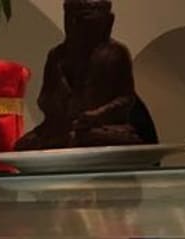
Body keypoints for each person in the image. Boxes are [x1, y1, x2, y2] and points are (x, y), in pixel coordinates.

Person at [17, 0, 154, 150]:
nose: (76, 27)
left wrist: (97, 114)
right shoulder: (57, 55)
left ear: (107, 22)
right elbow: (44, 99)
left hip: (98, 127)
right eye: (71, 20)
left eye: (85, 22)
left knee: (95, 137)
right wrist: (58, 102)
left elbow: (126, 98)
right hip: (62, 127)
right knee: (25, 144)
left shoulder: (115, 54)